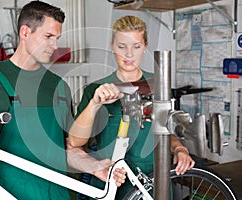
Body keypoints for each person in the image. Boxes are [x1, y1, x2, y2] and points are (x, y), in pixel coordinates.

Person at [0, 1, 125, 199]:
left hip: (57, 195)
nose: (55, 46)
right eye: (48, 37)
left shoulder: (58, 86)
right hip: (8, 194)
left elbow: (66, 151)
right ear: (25, 32)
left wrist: (95, 167)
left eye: (57, 38)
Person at [68, 15, 195, 199]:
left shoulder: (158, 84)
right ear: (112, 46)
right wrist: (95, 103)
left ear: (145, 46)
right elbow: (75, 142)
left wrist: (180, 149)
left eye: (136, 46)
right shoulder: (96, 90)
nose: (129, 54)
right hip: (111, 185)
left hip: (154, 185)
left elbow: (167, 130)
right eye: (122, 46)